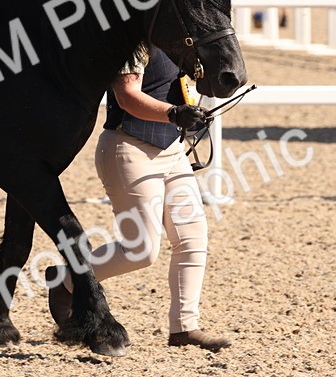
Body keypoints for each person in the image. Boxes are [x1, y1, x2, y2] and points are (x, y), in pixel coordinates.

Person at [45, 43, 230, 351]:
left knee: (193, 237)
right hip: (129, 149)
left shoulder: (180, 40)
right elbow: (127, 97)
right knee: (141, 249)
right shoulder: (134, 42)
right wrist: (174, 113)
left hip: (171, 150)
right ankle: (67, 279)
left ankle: (184, 327)